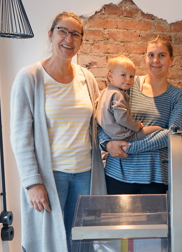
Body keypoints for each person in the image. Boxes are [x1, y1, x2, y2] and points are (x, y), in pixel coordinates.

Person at [9, 12, 106, 252]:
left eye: (76, 34)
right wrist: (32, 183)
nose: (68, 39)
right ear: (51, 34)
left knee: (81, 240)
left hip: (86, 174)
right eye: (63, 31)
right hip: (51, 176)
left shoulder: (87, 78)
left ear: (81, 41)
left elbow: (97, 125)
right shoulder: (30, 77)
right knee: (49, 242)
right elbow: (20, 136)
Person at [99, 35, 182, 194]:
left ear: (171, 60)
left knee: (155, 220)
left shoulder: (179, 97)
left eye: (162, 55)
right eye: (151, 55)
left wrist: (128, 147)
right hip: (118, 173)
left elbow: (171, 134)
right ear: (145, 58)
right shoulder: (127, 85)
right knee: (118, 220)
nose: (156, 60)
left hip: (155, 176)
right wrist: (106, 144)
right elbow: (102, 116)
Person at [96, 56, 161, 145]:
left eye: (131, 76)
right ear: (110, 76)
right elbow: (122, 118)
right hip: (123, 136)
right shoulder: (117, 94)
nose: (128, 79)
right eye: (123, 75)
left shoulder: (104, 92)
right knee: (157, 129)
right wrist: (137, 126)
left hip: (110, 135)